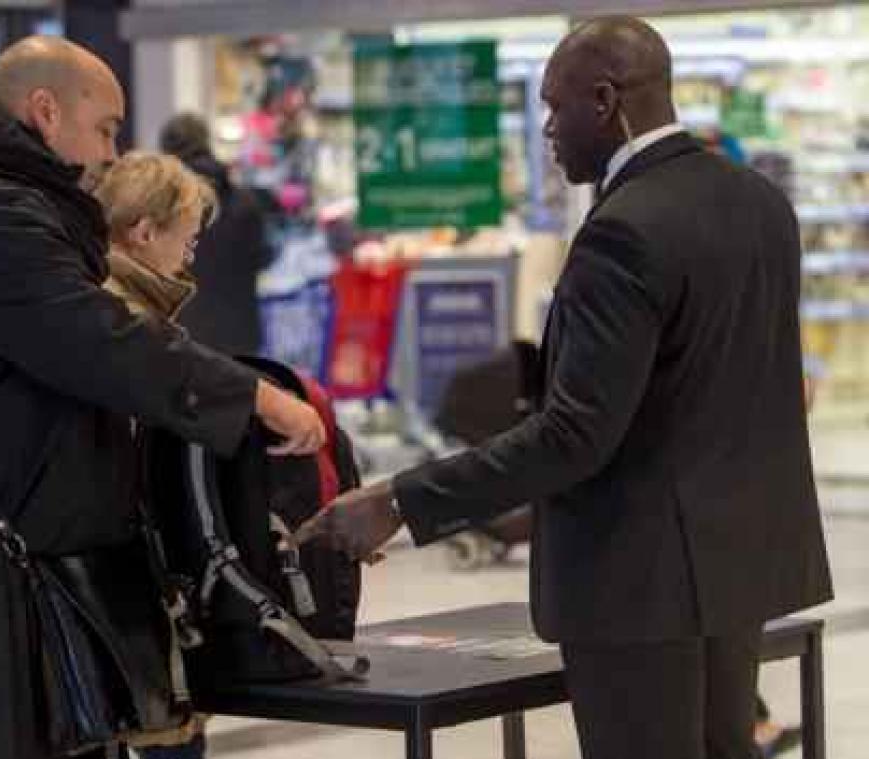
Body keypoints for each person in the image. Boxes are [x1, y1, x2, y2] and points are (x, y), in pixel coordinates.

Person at [297, 16, 832, 759]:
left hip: (636, 582)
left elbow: (574, 433)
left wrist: (398, 500)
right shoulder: (758, 203)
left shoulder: (625, 230)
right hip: (733, 564)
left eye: (555, 106)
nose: (546, 128)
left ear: (606, 99)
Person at [0, 37, 325, 759]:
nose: (112, 151)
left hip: (8, 577)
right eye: (104, 127)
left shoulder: (6, 202)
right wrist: (256, 397)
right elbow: (103, 341)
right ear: (44, 111)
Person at [94, 150, 215, 759]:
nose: (188, 259)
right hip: (120, 573)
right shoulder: (123, 317)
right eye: (186, 242)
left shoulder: (91, 295)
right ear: (144, 232)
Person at [159, 112, 274, 356]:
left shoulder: (161, 208)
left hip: (184, 338)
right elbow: (264, 257)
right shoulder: (246, 202)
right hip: (240, 335)